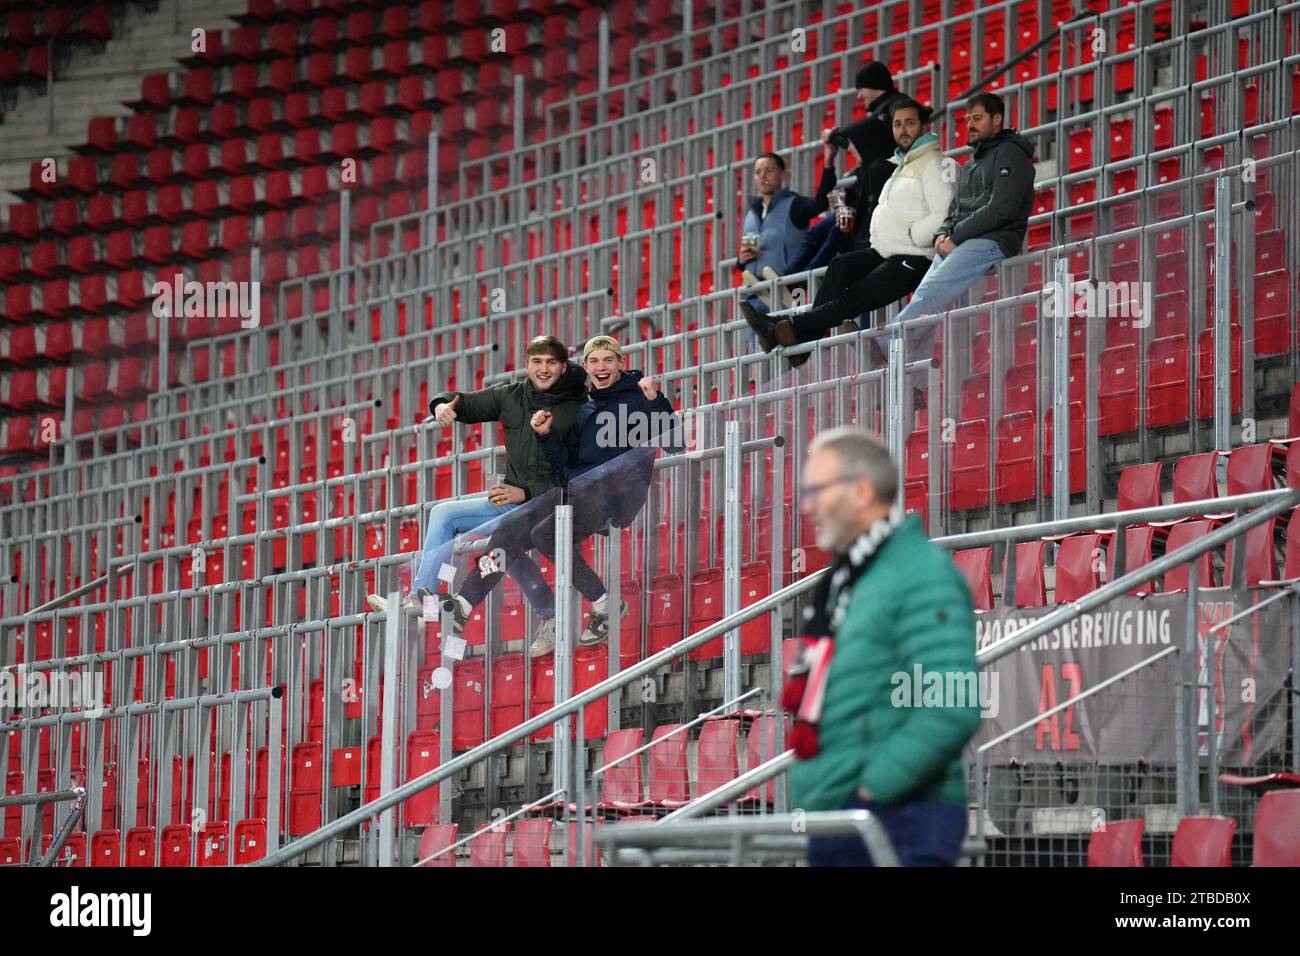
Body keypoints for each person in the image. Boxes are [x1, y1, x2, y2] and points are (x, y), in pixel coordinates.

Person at [784, 427, 980, 866]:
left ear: (861, 491)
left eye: (816, 490)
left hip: (898, 818)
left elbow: (952, 706)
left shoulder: (920, 574)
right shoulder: (847, 579)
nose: (806, 505)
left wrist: (872, 789)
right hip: (844, 817)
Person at [445, 335, 679, 658]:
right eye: (594, 361)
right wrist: (546, 436)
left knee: (545, 534)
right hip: (579, 490)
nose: (601, 367)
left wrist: (657, 401)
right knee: (508, 530)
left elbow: (677, 443)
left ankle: (603, 603)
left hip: (617, 495)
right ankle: (463, 603)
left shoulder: (637, 399)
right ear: (585, 367)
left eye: (608, 360)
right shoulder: (585, 410)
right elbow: (566, 466)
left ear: (620, 364)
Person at [365, 335, 586, 615]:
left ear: (563, 367)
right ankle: (423, 601)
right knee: (444, 514)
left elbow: (577, 472)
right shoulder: (512, 396)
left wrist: (528, 493)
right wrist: (442, 406)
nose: (543, 369)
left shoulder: (580, 408)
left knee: (504, 540)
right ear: (526, 364)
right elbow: (465, 403)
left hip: (554, 506)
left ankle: (549, 614)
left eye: (551, 363)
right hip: (514, 502)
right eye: (537, 362)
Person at [745, 99, 955, 369]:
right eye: (897, 124)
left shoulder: (937, 164)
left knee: (854, 296)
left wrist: (913, 235)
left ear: (925, 127)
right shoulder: (901, 166)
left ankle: (790, 329)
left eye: (910, 123)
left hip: (915, 257)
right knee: (840, 266)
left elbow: (944, 213)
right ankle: (802, 339)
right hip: (887, 251)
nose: (903, 130)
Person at [882, 91, 1035, 384]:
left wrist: (957, 235)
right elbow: (957, 207)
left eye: (978, 119)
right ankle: (914, 382)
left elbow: (1001, 209)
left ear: (997, 119)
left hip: (995, 240)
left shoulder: (1011, 153)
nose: (971, 125)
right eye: (968, 120)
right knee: (927, 296)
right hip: (965, 239)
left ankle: (888, 342)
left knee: (933, 293)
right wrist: (943, 233)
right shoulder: (975, 159)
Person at [735, 150, 837, 309]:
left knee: (793, 333)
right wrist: (740, 261)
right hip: (755, 294)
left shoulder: (795, 204)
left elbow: (820, 204)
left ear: (783, 175)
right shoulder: (750, 213)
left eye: (769, 170)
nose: (762, 176)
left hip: (789, 291)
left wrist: (828, 165)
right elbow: (744, 260)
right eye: (757, 172)